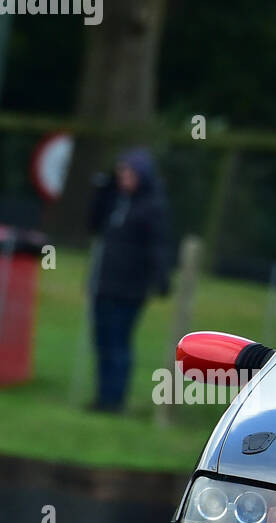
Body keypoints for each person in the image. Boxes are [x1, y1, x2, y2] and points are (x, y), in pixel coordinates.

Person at [87, 148, 172, 412]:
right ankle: (103, 397)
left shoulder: (152, 207)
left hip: (128, 289)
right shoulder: (116, 201)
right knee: (102, 341)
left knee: (118, 343)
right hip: (104, 284)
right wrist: (103, 191)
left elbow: (158, 245)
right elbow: (93, 224)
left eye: (128, 172)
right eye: (120, 172)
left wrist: (161, 278)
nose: (123, 177)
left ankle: (115, 400)